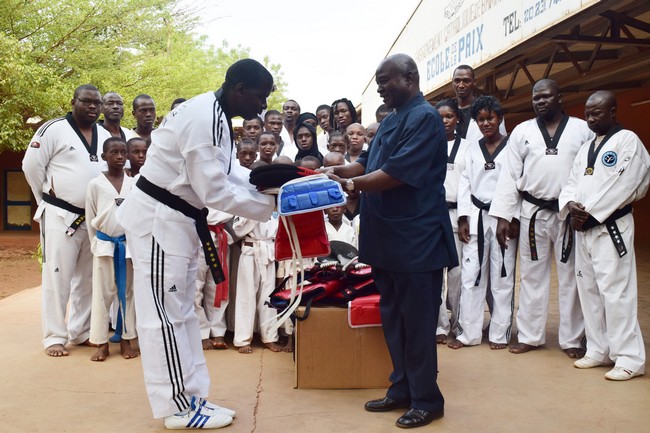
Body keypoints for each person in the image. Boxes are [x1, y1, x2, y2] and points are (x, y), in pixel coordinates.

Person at [116, 59, 276, 429]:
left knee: (183, 315)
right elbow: (214, 190)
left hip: (179, 223)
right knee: (164, 318)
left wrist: (273, 182)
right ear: (239, 89)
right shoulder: (204, 118)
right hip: (158, 224)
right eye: (260, 97)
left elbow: (230, 172)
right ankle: (177, 408)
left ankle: (193, 398)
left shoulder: (218, 114)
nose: (262, 107)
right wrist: (269, 206)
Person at [325, 53, 456, 429]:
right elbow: (364, 163)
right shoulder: (391, 120)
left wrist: (348, 184)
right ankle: (401, 389)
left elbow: (395, 174)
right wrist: (328, 171)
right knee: (394, 320)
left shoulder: (425, 118)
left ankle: (427, 400)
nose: (380, 88)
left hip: (417, 240)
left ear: (410, 78)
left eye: (386, 81)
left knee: (417, 323)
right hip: (386, 239)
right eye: (379, 82)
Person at [490, 79, 592, 358]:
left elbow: (589, 171)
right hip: (532, 213)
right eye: (536, 98)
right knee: (532, 275)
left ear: (560, 97)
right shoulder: (522, 131)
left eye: (546, 96)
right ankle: (530, 335)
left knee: (571, 275)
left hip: (568, 214)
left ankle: (572, 338)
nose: (540, 102)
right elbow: (509, 176)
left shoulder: (582, 129)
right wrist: (504, 216)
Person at [559, 90, 649, 381]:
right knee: (590, 291)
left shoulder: (628, 141)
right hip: (584, 229)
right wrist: (571, 206)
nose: (590, 118)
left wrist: (591, 214)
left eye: (596, 112)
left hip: (611, 227)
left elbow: (625, 183)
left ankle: (629, 358)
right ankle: (598, 349)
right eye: (587, 113)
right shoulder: (586, 147)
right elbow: (571, 182)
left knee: (616, 292)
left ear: (613, 112)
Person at [23, 84, 112, 357]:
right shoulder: (53, 129)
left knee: (87, 278)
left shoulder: (105, 134)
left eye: (97, 103)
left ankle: (81, 331)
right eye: (87, 101)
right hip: (60, 215)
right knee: (57, 276)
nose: (93, 107)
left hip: (92, 218)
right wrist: (46, 200)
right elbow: (31, 166)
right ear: (73, 101)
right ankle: (54, 337)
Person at [448, 96, 518, 351]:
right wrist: (463, 217)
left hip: (502, 219)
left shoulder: (512, 147)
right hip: (476, 215)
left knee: (502, 275)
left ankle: (500, 333)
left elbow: (516, 185)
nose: (486, 123)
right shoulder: (471, 149)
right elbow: (465, 183)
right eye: (481, 120)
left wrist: (511, 217)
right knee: (471, 276)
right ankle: (470, 332)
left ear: (499, 118)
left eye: (490, 118)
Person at [86, 137, 139, 361]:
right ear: (104, 156)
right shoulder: (95, 184)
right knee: (102, 294)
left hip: (126, 246)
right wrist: (96, 244)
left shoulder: (133, 183)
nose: (119, 156)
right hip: (105, 245)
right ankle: (101, 342)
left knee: (128, 293)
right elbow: (90, 217)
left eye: (123, 152)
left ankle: (127, 339)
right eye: (113, 152)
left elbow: (138, 217)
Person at [433, 98, 470, 344]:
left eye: (449, 116)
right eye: (441, 116)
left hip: (458, 214)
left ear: (457, 118)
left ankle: (458, 322)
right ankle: (439, 326)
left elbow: (469, 183)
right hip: (433, 214)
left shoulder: (469, 147)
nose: (445, 121)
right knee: (435, 273)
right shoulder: (427, 144)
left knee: (457, 273)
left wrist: (466, 216)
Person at [232, 196, 281, 354]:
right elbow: (238, 230)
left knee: (268, 296)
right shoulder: (246, 203)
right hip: (250, 251)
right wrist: (257, 212)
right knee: (246, 296)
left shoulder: (278, 204)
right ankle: (242, 339)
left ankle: (270, 337)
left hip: (269, 252)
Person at [452, 65, 505, 143]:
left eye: (466, 81)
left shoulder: (489, 107)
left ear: (474, 81)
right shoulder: (449, 111)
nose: (461, 85)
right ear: (452, 82)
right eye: (457, 81)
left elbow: (501, 142)